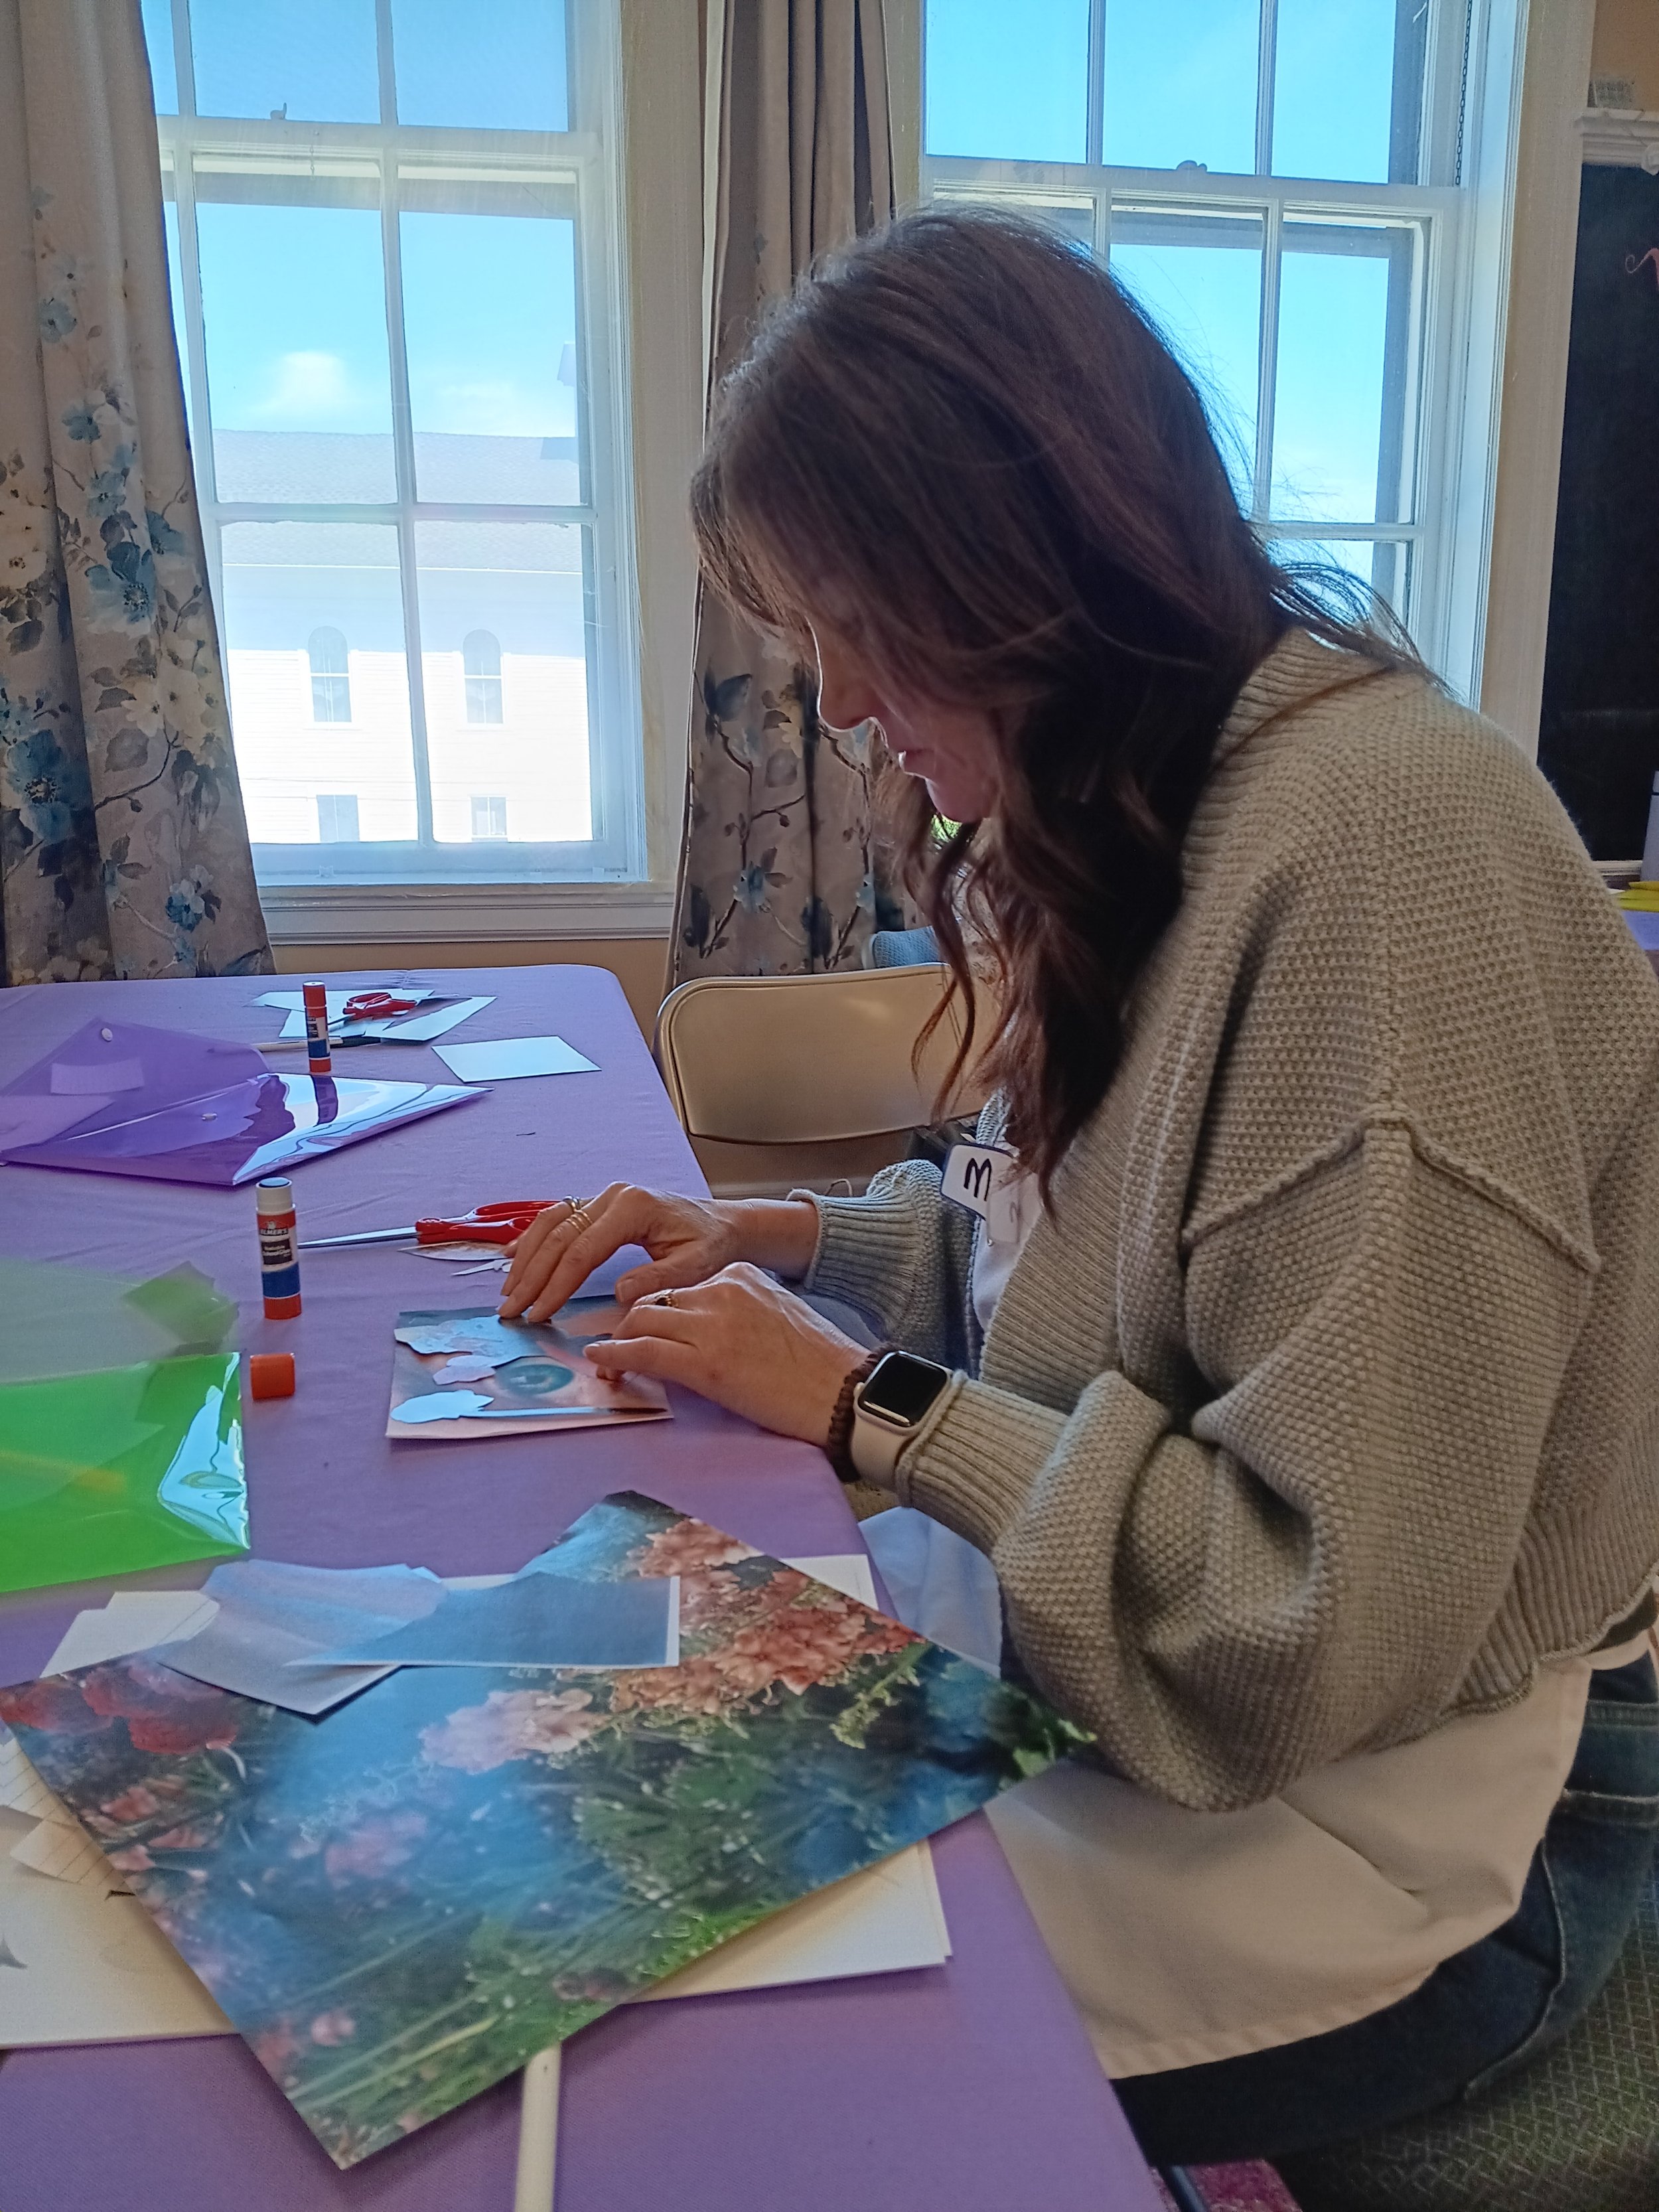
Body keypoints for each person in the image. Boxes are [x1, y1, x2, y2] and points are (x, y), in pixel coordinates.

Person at [500, 209, 1659, 2168]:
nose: (838, 703)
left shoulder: (1379, 853)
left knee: (677, 2035)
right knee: (597, 1793)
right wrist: (800, 1240)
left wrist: (868, 1406)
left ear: (1016, 565)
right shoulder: (1163, 796)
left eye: (852, 623)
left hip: (1436, 1818)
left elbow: (1308, 1625)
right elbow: (1085, 1267)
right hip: (1207, 1703)